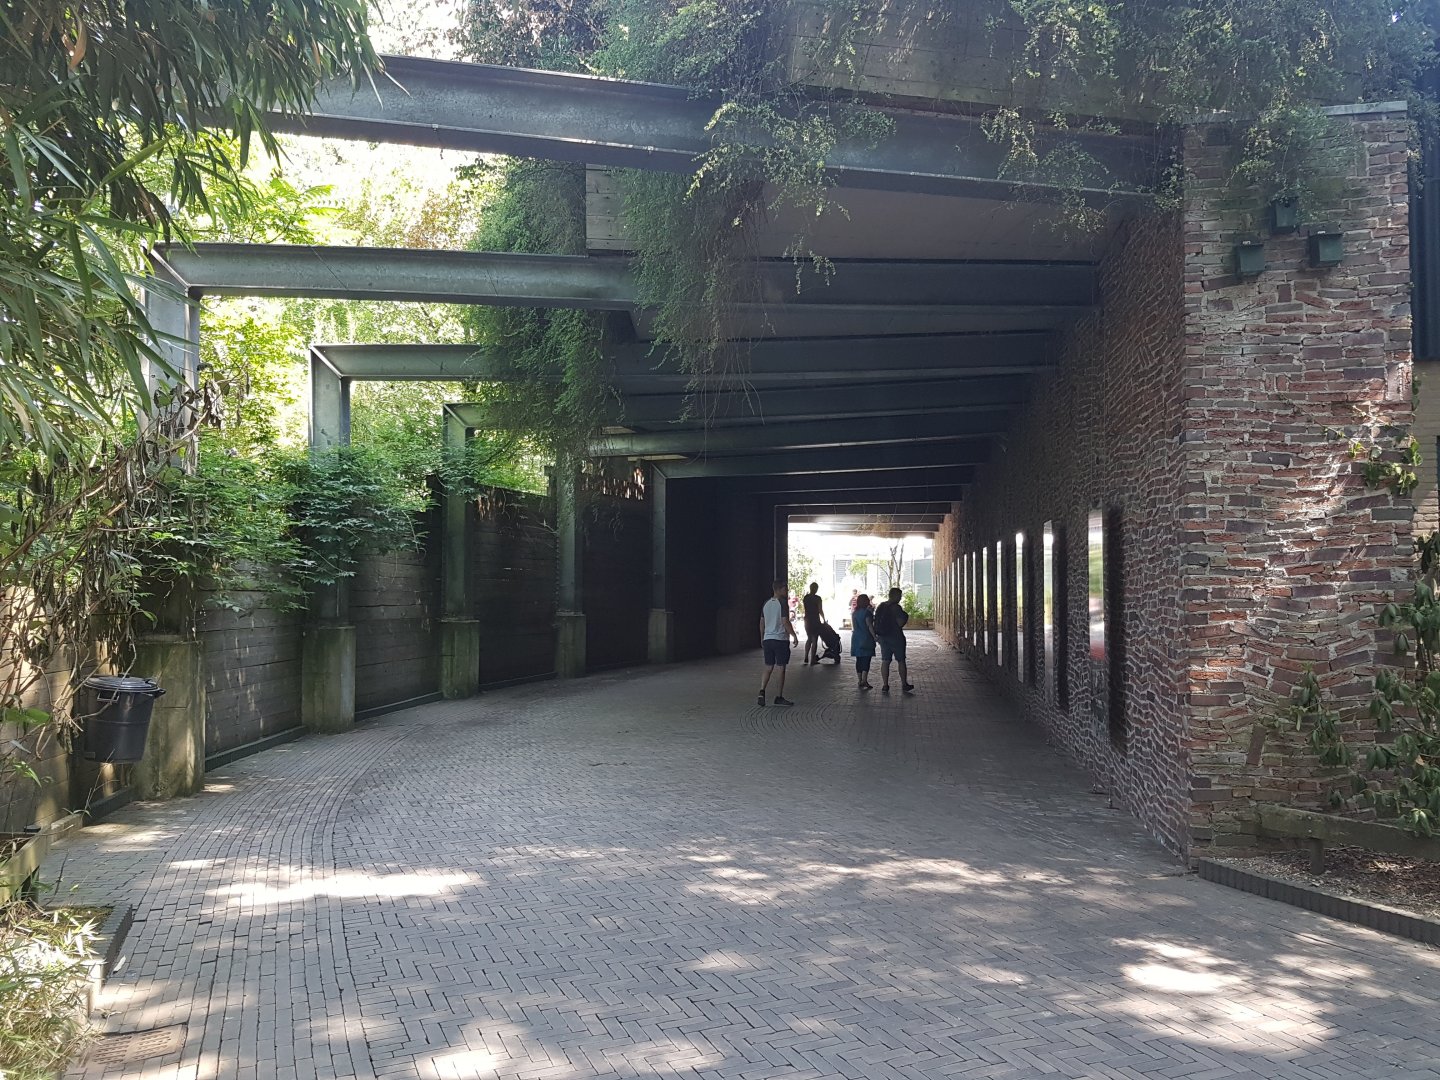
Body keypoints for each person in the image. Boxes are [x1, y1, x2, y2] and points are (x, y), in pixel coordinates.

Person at [758, 580, 798, 706]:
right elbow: (785, 621)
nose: (787, 591)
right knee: (781, 668)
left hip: (768, 639)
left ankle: (762, 691)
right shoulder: (782, 603)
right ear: (779, 589)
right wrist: (794, 635)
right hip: (780, 639)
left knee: (768, 667)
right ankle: (779, 696)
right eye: (785, 589)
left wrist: (762, 637)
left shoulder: (766, 603)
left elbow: (761, 622)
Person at [873, 586, 915, 695]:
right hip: (896, 638)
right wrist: (905, 616)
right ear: (895, 596)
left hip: (883, 637)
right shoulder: (896, 608)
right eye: (900, 596)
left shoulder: (881, 606)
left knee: (885, 661)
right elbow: (900, 623)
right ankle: (904, 684)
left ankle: (885, 685)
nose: (900, 598)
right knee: (901, 661)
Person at [850, 593, 877, 691]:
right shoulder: (867, 613)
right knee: (866, 659)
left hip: (856, 638)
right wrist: (874, 637)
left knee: (859, 659)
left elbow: (854, 626)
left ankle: (859, 680)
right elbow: (869, 626)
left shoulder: (854, 613)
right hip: (866, 637)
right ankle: (865, 680)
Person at [801, 582, 825, 665]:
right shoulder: (818, 598)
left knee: (809, 638)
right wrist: (824, 619)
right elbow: (820, 610)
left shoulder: (806, 598)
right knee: (814, 639)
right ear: (816, 589)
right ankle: (812, 660)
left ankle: (806, 656)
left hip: (807, 619)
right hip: (815, 620)